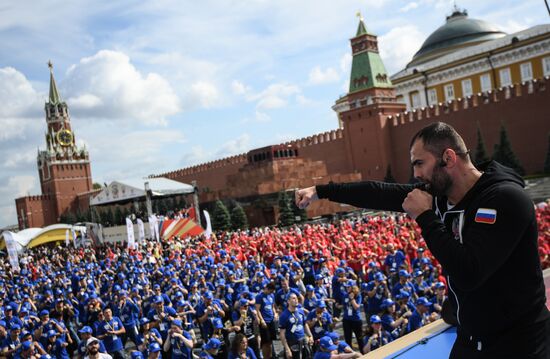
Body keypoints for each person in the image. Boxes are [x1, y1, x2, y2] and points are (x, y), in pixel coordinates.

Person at [296, 121, 550, 358]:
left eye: (420, 163)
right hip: (472, 336)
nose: (415, 173)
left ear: (448, 158)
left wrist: (426, 217)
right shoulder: (441, 195)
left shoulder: (504, 199)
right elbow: (379, 193)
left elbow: (469, 272)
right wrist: (321, 191)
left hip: (519, 341)